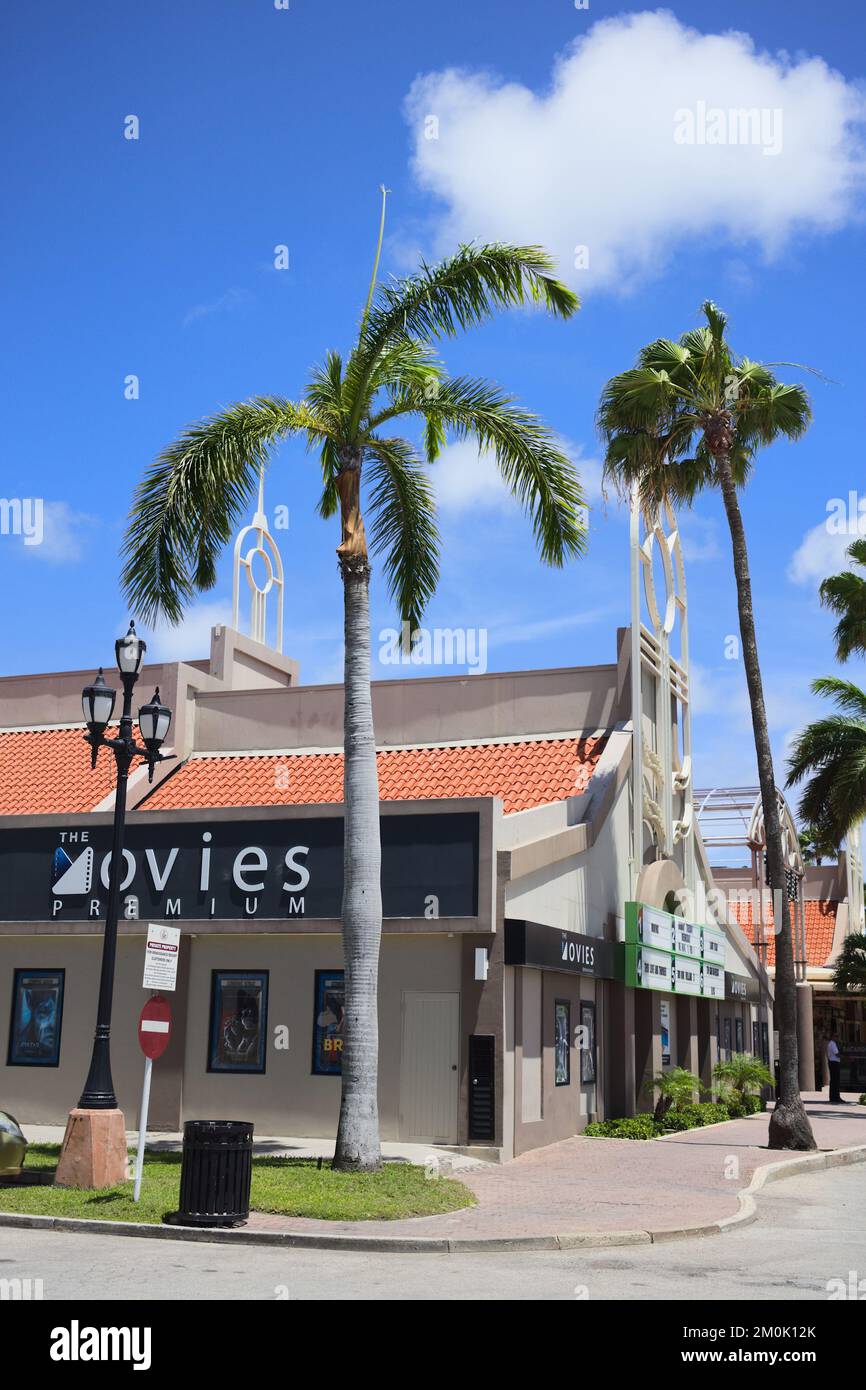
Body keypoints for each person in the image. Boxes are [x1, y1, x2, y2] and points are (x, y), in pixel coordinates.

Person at [827, 1034, 844, 1104]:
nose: (837, 1038)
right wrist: (846, 1058)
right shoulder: (832, 1044)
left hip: (833, 1062)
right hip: (834, 1063)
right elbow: (836, 1054)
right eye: (836, 1036)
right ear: (833, 1037)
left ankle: (833, 1097)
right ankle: (836, 1097)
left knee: (834, 1081)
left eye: (838, 1036)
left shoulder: (832, 1043)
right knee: (835, 1081)